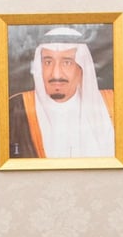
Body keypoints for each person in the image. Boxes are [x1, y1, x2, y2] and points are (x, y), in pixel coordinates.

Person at [7, 26, 115, 159]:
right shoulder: (15, 110)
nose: (56, 73)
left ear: (81, 68)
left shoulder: (111, 106)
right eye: (48, 62)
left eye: (67, 62)